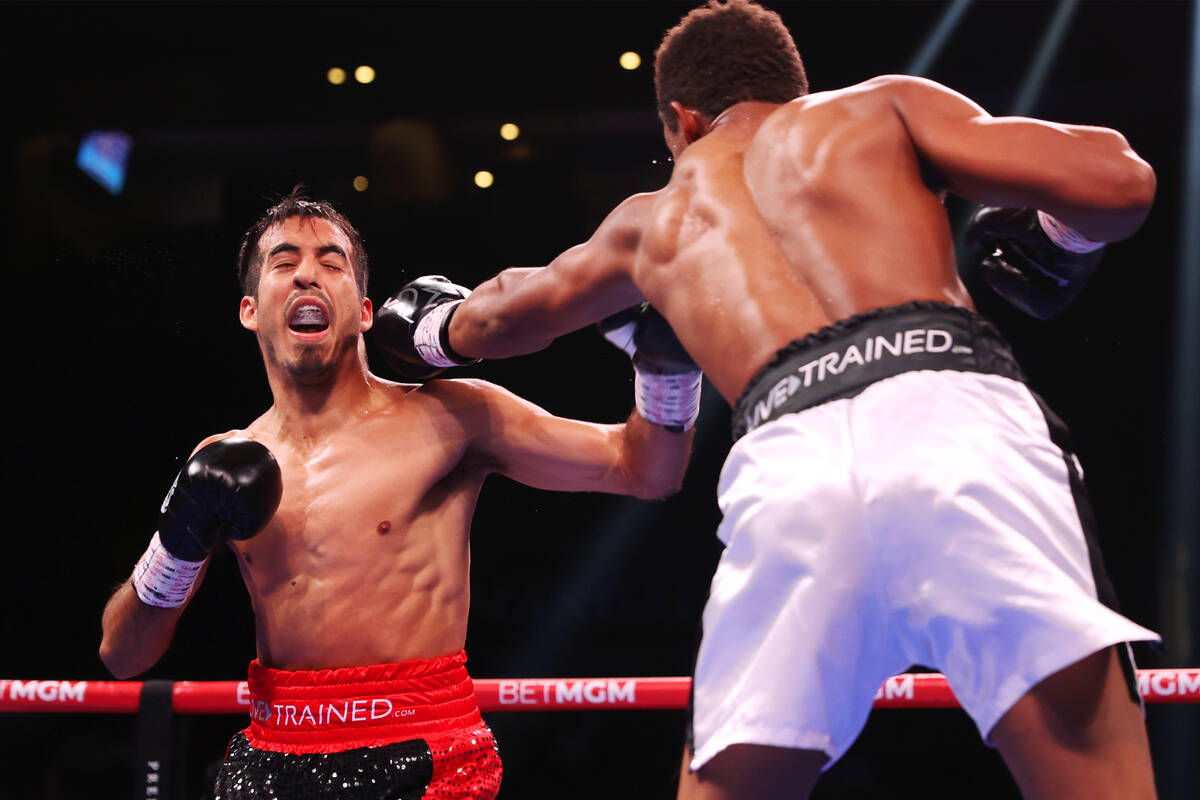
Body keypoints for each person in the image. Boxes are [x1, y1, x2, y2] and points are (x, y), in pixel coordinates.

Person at [392, 1, 1161, 798]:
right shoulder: (875, 109)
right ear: (795, 89)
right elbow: (1121, 180)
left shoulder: (648, 223)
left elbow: (498, 318)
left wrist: (427, 328)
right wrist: (1058, 238)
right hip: (952, 416)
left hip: (791, 463)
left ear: (680, 121)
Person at [98, 190, 696, 800]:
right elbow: (123, 655)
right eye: (284, 262)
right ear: (252, 310)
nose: (308, 273)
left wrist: (668, 370)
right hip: (272, 757)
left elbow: (645, 469)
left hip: (423, 752)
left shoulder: (451, 416)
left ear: (362, 311)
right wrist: (177, 545)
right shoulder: (220, 458)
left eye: (331, 262)